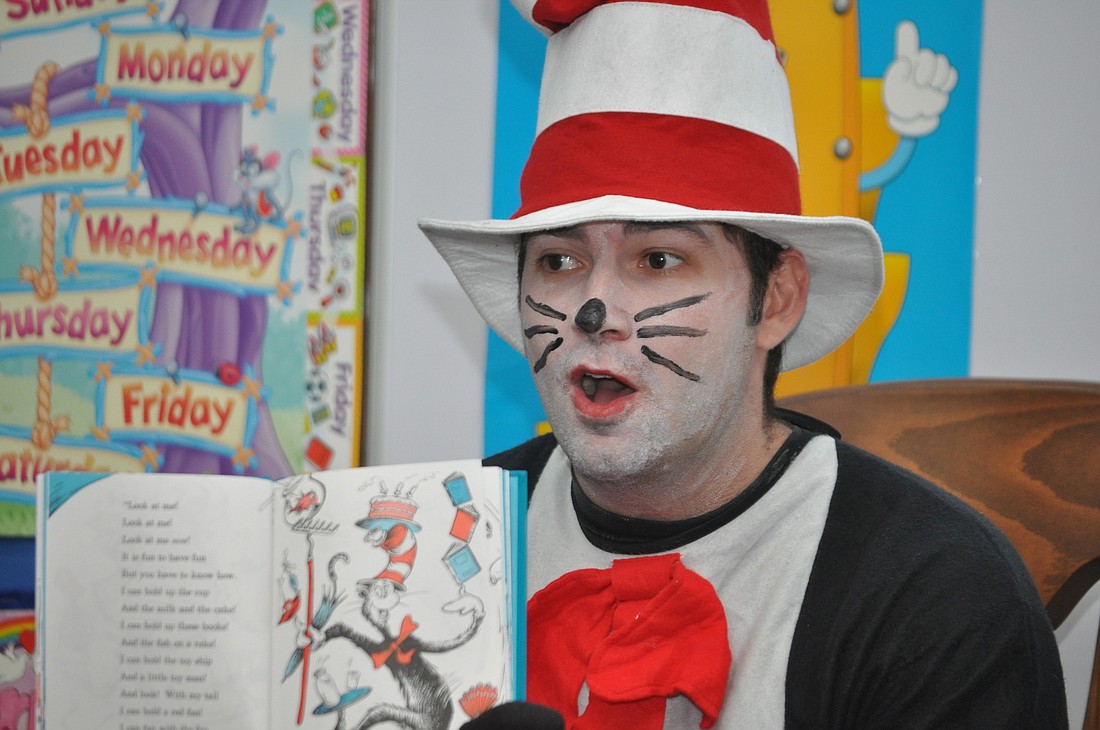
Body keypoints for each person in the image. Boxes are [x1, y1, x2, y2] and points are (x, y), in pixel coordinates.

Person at [419, 0, 1068, 727]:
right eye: (560, 260)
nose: (592, 310)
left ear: (779, 297)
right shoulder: (445, 537)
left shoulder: (935, 596)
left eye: (659, 258)